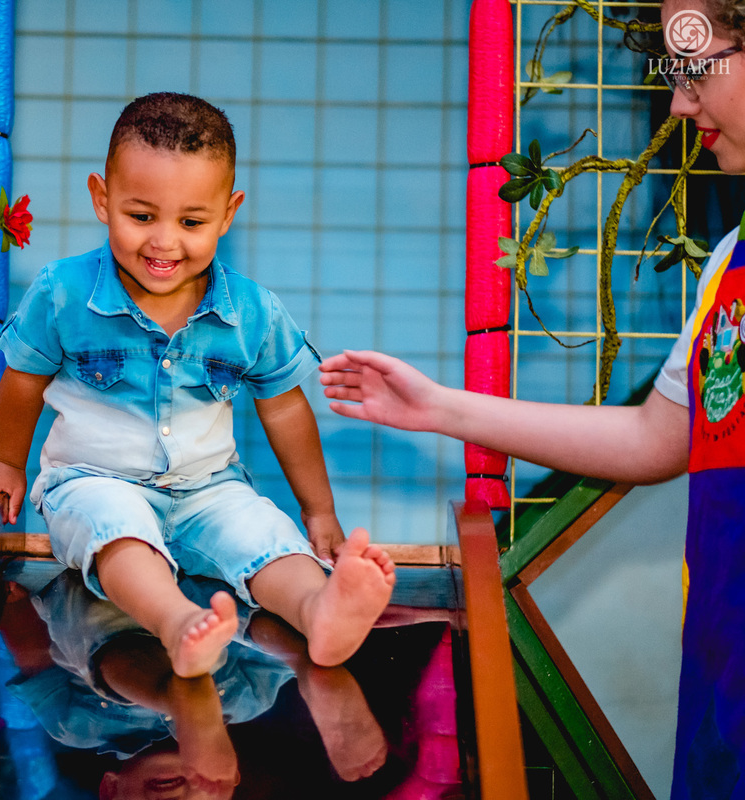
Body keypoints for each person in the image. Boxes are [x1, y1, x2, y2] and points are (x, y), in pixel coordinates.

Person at [319, 1, 745, 795]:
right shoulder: (729, 261)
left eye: (695, 69)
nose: (679, 103)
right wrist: (437, 408)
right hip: (722, 680)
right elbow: (658, 438)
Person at [0, 92, 395, 680]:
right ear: (102, 199)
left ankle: (319, 611)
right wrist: (7, 462)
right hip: (93, 482)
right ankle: (179, 623)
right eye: (142, 217)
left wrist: (319, 511)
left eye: (191, 222)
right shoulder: (62, 292)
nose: (164, 242)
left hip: (210, 488)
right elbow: (22, 382)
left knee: (264, 535)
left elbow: (286, 411)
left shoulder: (251, 310)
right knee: (116, 530)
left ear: (228, 213)